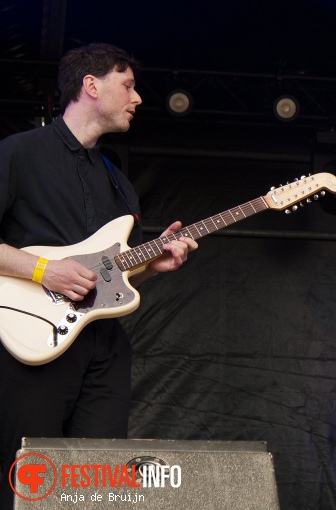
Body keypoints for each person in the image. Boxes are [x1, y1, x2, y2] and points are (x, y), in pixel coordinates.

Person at [0, 43, 197, 509]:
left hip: (102, 350)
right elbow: (54, 272)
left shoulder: (118, 182)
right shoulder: (19, 153)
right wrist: (45, 269)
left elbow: (111, 285)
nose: (138, 98)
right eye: (127, 86)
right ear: (91, 86)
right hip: (29, 341)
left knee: (96, 487)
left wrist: (154, 268)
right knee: (27, 483)